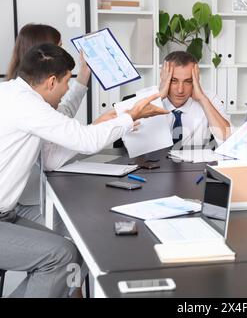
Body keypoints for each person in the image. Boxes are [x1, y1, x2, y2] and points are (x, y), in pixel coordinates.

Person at [0, 43, 168, 297]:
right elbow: (85, 140)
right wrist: (130, 117)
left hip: (6, 216)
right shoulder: (26, 104)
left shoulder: (15, 95)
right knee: (60, 256)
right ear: (52, 81)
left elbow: (52, 159)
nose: (67, 89)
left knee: (73, 253)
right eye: (68, 81)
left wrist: (101, 123)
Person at [6, 24, 93, 220]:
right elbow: (52, 155)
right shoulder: (25, 103)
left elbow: (60, 115)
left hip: (30, 197)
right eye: (59, 48)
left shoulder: (18, 89)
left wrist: (83, 77)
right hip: (24, 201)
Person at [159, 51, 231, 147]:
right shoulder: (145, 99)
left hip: (196, 161)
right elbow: (134, 143)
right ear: (163, 76)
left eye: (188, 81)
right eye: (173, 81)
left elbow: (228, 139)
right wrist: (158, 98)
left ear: (196, 79)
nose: (180, 90)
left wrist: (202, 99)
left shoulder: (209, 98)